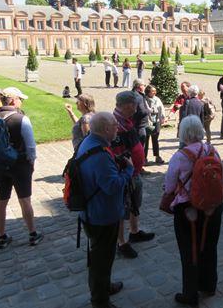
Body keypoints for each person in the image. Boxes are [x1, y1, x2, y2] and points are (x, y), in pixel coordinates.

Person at [163, 115, 223, 306]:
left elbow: (169, 186)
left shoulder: (180, 157)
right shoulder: (212, 150)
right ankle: (209, 284)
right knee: (210, 245)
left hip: (188, 209)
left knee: (190, 251)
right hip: (213, 207)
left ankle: (190, 294)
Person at [77, 112, 133, 308]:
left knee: (101, 256)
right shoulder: (99, 154)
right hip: (102, 215)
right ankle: (100, 301)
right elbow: (112, 186)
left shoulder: (90, 142)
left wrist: (115, 160)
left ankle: (104, 287)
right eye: (115, 125)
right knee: (101, 259)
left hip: (92, 211)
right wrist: (129, 170)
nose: (117, 127)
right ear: (106, 129)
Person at [0, 87, 43, 249]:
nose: (21, 101)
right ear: (14, 100)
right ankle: (32, 233)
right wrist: (31, 163)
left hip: (0, 165)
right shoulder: (21, 119)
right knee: (25, 200)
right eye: (20, 99)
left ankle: (1, 236)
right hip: (20, 165)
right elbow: (31, 147)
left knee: (1, 201)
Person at [111, 91, 154, 259]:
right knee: (122, 210)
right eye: (136, 105)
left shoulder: (126, 121)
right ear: (128, 105)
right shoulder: (115, 124)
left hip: (134, 173)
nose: (137, 108)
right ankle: (121, 242)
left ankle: (134, 232)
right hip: (125, 175)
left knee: (135, 203)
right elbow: (116, 153)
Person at [144, 85, 165, 165]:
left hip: (156, 121)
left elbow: (161, 108)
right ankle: (144, 158)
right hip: (147, 122)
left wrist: (162, 117)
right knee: (146, 141)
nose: (155, 92)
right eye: (153, 91)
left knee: (155, 140)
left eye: (155, 91)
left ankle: (157, 156)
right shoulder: (144, 99)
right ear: (148, 92)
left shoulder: (157, 99)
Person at [132, 79, 152, 147]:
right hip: (140, 126)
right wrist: (149, 110)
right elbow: (142, 111)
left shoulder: (132, 93)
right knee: (140, 146)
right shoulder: (139, 96)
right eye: (144, 85)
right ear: (139, 86)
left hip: (134, 124)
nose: (144, 87)